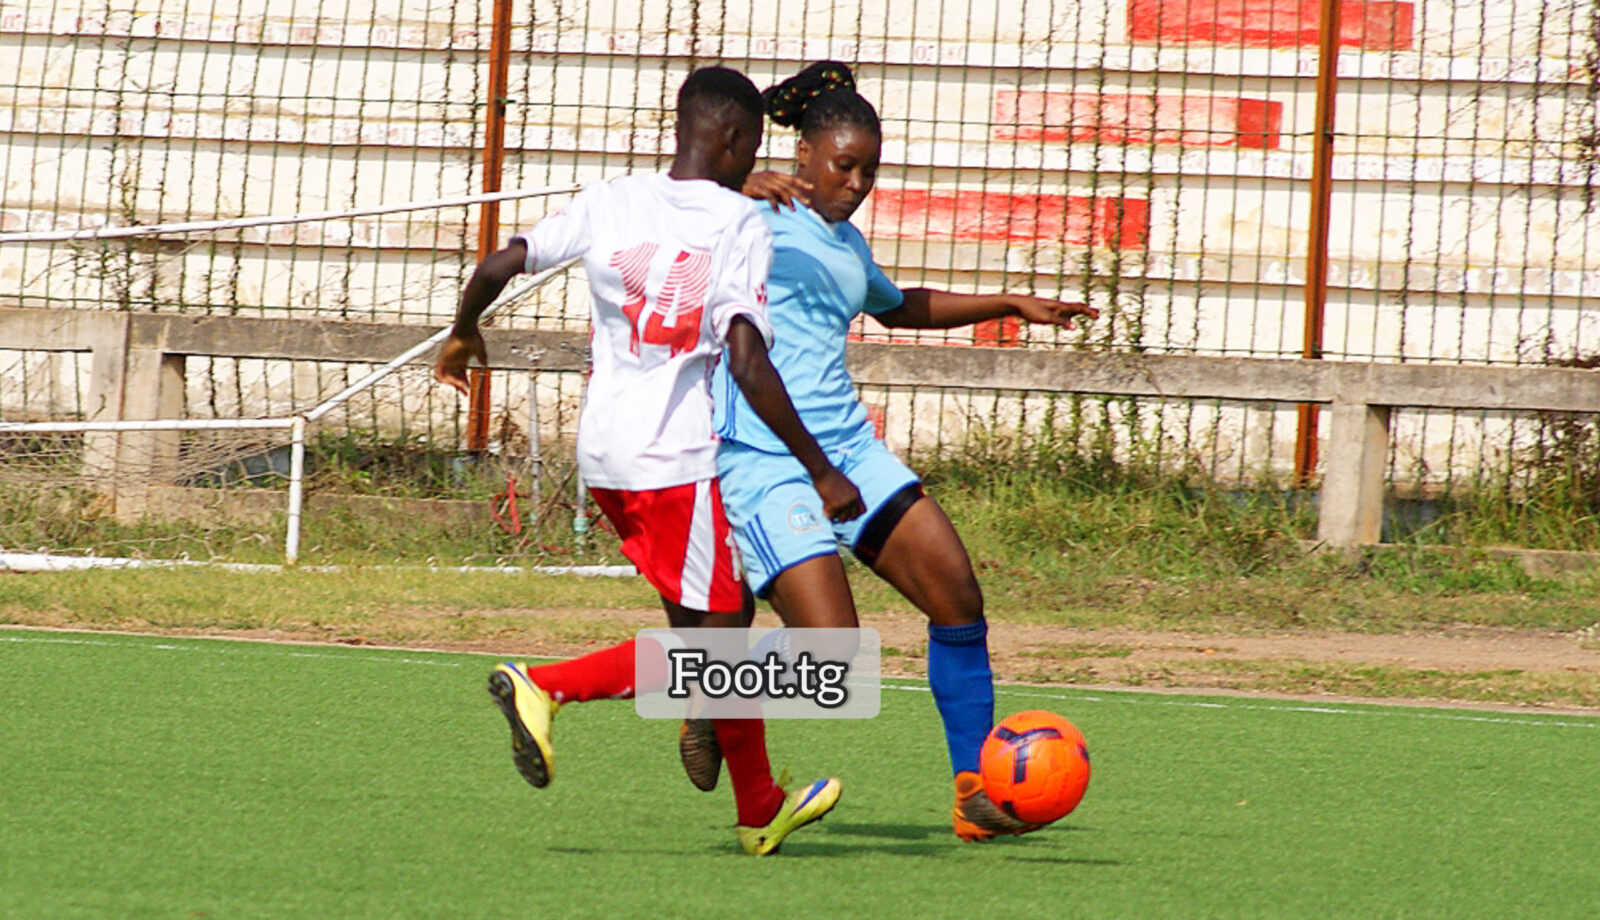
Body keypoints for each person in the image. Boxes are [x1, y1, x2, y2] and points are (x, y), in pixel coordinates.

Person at [435, 65, 864, 856]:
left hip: (603, 458)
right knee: (720, 647)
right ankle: (546, 686)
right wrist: (820, 467)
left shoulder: (610, 199)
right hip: (674, 458)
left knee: (723, 632)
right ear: (736, 141)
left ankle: (758, 806)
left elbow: (500, 263)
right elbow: (745, 359)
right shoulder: (741, 226)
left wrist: (463, 332)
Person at [683, 61, 1099, 841]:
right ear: (801, 154)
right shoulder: (741, 215)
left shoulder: (845, 240)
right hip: (769, 459)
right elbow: (669, 196)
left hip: (850, 452)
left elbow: (899, 305)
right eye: (844, 165)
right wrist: (730, 186)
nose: (858, 183)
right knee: (834, 661)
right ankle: (710, 695)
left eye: (869, 169)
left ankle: (974, 793)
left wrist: (1009, 301)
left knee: (958, 596)